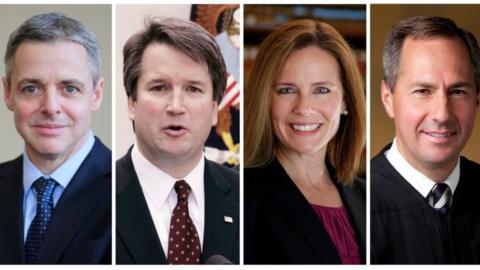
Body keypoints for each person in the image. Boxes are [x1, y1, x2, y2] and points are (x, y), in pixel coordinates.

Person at [116, 17, 239, 264]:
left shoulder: (249, 198)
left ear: (214, 109)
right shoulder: (95, 196)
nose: (176, 107)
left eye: (193, 89)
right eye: (159, 88)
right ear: (132, 103)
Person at [244, 19, 366, 264]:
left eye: (321, 90)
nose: (304, 108)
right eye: (286, 90)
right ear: (265, 100)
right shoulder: (242, 196)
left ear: (345, 101)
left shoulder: (367, 196)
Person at [0, 12, 111, 264]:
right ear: (8, 93)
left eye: (69, 88)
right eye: (32, 88)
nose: (51, 107)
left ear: (95, 95)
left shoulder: (128, 190)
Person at [371, 15, 480, 264]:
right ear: (388, 98)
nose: (442, 114)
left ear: (477, 99)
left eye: (458, 91)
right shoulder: (358, 207)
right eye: (422, 91)